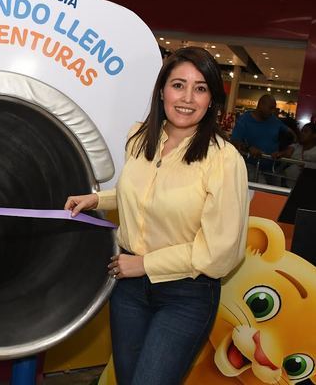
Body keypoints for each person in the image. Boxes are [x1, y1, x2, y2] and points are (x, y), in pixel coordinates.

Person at [64, 47, 249, 385]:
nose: (187, 98)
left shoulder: (224, 160)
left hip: (186, 294)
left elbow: (220, 252)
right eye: (178, 85)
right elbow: (139, 195)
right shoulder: (139, 137)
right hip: (129, 290)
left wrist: (144, 264)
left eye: (200, 88)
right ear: (162, 90)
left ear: (211, 100)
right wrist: (96, 199)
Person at [230, 94, 295, 184]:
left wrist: (288, 148)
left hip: (272, 167)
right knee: (261, 189)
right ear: (261, 105)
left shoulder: (274, 120)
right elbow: (234, 141)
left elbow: (291, 134)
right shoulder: (244, 120)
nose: (272, 111)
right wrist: (249, 148)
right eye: (270, 108)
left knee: (276, 193)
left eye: (274, 108)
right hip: (251, 165)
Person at [283, 122, 316, 187]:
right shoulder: (295, 147)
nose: (302, 134)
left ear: (314, 135)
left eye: (306, 131)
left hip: (308, 188)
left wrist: (307, 165)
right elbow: (284, 155)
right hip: (287, 185)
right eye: (302, 131)